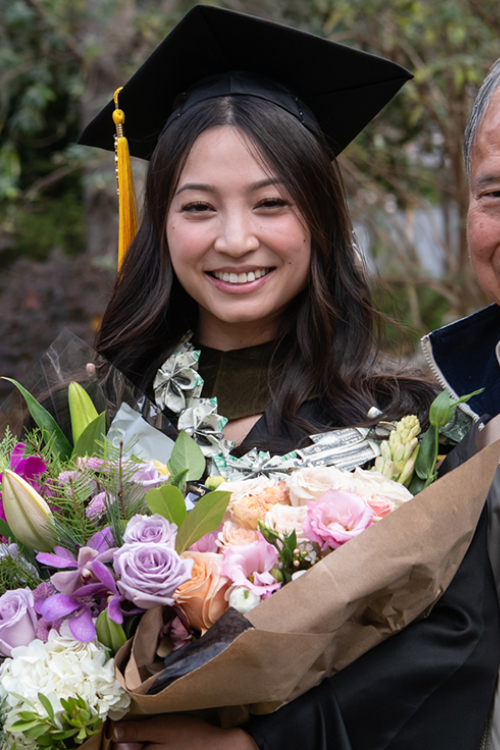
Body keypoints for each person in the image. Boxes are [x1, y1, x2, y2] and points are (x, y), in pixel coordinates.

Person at [79, 7, 500, 749]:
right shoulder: (89, 422)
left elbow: (454, 655)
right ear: (161, 224)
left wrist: (253, 746)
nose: (235, 239)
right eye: (198, 207)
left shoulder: (411, 430)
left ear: (319, 218)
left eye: (271, 203)